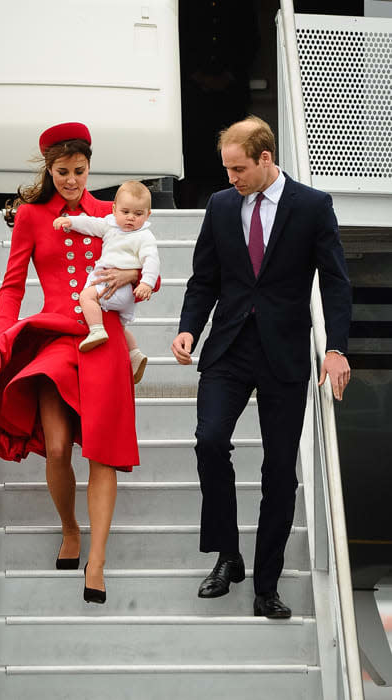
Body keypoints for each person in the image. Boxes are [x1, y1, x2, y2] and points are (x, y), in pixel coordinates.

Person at [171, 116, 351, 618]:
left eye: (239, 169)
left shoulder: (313, 206)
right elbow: (204, 277)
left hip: (284, 353)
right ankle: (228, 556)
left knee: (278, 471)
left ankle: (266, 584)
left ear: (266, 158)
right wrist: (189, 326)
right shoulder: (221, 204)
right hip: (228, 348)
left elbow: (335, 282)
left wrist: (335, 346)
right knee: (209, 442)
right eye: (227, 169)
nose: (232, 178)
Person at [0, 122, 159, 604]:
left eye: (79, 171)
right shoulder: (33, 217)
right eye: (62, 172)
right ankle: (70, 528)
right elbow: (13, 285)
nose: (72, 180)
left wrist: (133, 273)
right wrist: (2, 335)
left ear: (89, 167)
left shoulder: (112, 212)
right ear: (49, 170)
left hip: (104, 339)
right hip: (56, 334)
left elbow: (151, 271)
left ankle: (95, 561)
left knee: (102, 451)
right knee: (56, 448)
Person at [53, 180, 160, 383]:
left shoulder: (144, 236)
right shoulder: (111, 225)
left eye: (138, 214)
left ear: (148, 215)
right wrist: (71, 222)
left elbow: (152, 260)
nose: (130, 218)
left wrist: (146, 282)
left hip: (115, 288)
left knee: (87, 296)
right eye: (125, 212)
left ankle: (96, 330)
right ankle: (135, 354)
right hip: (122, 294)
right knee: (119, 328)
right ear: (114, 210)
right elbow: (91, 224)